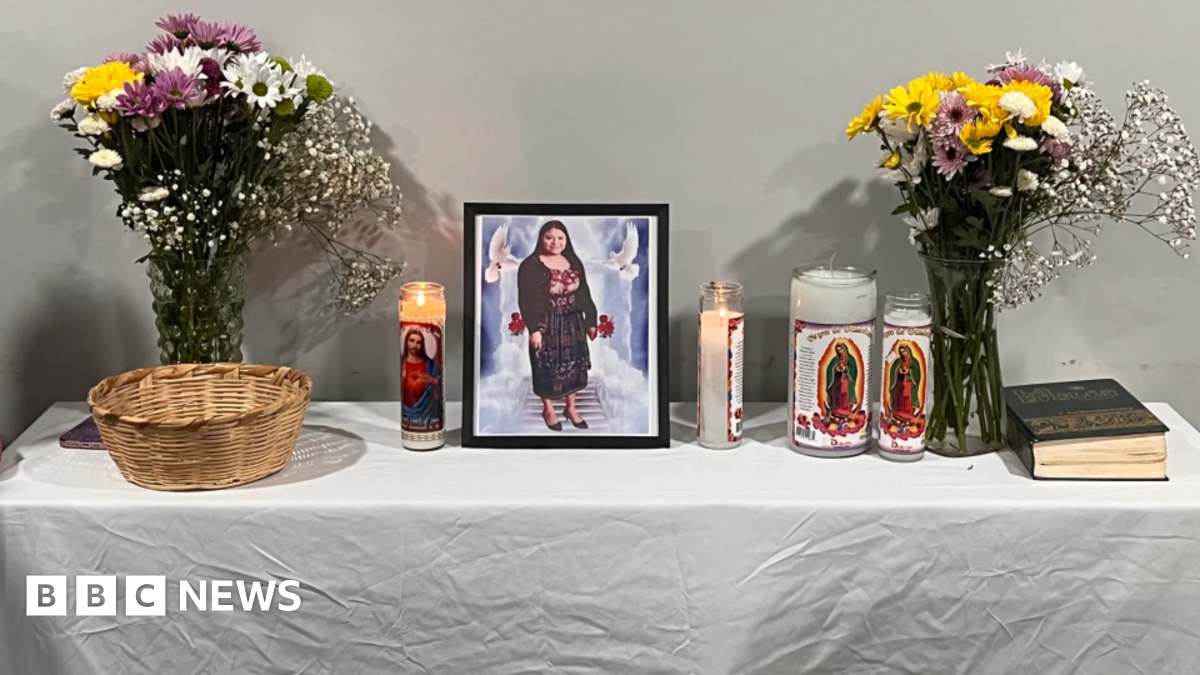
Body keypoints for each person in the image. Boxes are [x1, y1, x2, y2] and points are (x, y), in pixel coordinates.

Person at [517, 220, 598, 431]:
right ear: (541, 239)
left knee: (575, 365)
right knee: (546, 365)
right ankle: (549, 410)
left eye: (560, 238)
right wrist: (534, 329)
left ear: (566, 240)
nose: (555, 242)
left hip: (573, 321)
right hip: (546, 322)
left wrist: (591, 320)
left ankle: (570, 408)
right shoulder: (531, 265)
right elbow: (525, 300)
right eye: (549, 237)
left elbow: (584, 292)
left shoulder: (573, 261)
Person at [402, 329, 442, 430]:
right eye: (412, 340)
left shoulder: (430, 364)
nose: (415, 345)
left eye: (418, 342)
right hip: (406, 411)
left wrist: (434, 380)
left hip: (427, 411)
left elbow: (441, 380)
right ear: (406, 342)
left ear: (422, 345)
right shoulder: (401, 364)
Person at [825, 341, 858, 420]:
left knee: (845, 394)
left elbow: (853, 370)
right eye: (838, 350)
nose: (839, 351)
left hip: (846, 380)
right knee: (835, 392)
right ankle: (836, 410)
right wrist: (836, 369)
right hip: (837, 380)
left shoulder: (850, 359)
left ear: (844, 349)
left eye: (841, 349)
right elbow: (830, 369)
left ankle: (845, 411)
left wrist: (846, 368)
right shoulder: (835, 359)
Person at [888, 344, 921, 424]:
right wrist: (899, 371)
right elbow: (893, 371)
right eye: (901, 352)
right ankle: (900, 415)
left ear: (908, 351)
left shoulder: (914, 362)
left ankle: (908, 416)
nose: (903, 353)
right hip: (899, 384)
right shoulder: (898, 361)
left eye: (904, 351)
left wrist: (909, 371)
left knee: (907, 401)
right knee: (899, 400)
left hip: (909, 385)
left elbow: (917, 373)